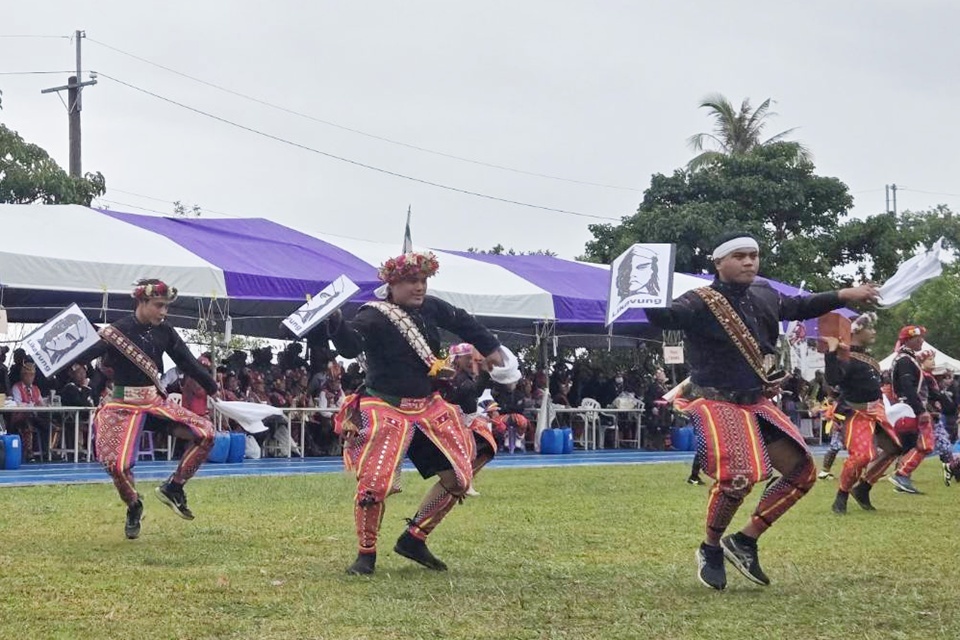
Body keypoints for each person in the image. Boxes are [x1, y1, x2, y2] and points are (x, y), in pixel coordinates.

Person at [645, 231, 879, 590]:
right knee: (738, 476)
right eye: (739, 256)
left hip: (756, 401)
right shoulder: (698, 301)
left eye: (753, 255)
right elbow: (666, 317)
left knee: (802, 473)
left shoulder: (765, 293)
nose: (749, 262)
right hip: (718, 400)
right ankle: (710, 549)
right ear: (718, 262)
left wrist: (846, 294)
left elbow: (801, 306)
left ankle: (744, 540)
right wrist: (646, 291)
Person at [329, 251, 504, 575]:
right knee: (374, 486)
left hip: (427, 408)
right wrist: (336, 324)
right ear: (392, 284)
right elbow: (351, 345)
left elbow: (462, 320)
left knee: (459, 477)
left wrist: (491, 347)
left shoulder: (432, 307)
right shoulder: (374, 316)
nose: (419, 287)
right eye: (412, 281)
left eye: (423, 280)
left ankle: (414, 538)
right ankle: (366, 554)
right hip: (385, 406)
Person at [79, 279, 219, 540]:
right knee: (117, 466)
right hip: (121, 406)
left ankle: (174, 488)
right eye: (159, 306)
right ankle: (134, 505)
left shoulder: (165, 331)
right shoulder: (117, 332)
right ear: (141, 302)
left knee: (207, 432)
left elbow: (187, 362)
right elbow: (84, 356)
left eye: (166, 307)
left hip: (155, 404)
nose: (163, 312)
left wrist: (212, 387)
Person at [821, 313, 900, 514]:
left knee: (894, 448)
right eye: (870, 328)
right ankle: (842, 494)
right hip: (856, 413)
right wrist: (830, 353)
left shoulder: (867, 358)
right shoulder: (844, 356)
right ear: (857, 331)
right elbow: (833, 379)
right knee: (862, 456)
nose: (874, 332)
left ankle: (863, 488)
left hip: (876, 411)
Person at [887, 327, 935, 494]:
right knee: (926, 444)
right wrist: (920, 410)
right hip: (910, 407)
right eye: (918, 338)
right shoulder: (905, 360)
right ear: (907, 340)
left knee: (909, 445)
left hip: (907, 407)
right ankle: (902, 474)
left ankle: (902, 479)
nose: (922, 340)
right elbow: (908, 387)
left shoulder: (904, 359)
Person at [9, 360, 46, 462]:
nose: (30, 377)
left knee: (51, 426)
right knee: (27, 425)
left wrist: (43, 403)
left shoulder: (36, 389)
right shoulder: (16, 387)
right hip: (21, 417)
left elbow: (41, 403)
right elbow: (17, 403)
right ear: (23, 375)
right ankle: (29, 453)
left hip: (34, 416)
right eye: (27, 375)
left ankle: (49, 452)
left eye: (32, 375)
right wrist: (33, 404)